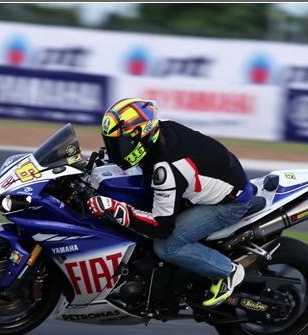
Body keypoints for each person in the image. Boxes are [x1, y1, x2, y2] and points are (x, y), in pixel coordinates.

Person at [87, 98, 253, 308]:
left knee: (166, 247)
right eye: (113, 143)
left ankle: (227, 271)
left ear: (142, 136)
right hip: (215, 176)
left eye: (121, 144)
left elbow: (161, 227)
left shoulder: (165, 170)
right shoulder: (159, 129)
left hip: (229, 203)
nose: (116, 149)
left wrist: (120, 212)